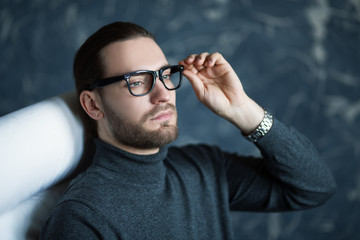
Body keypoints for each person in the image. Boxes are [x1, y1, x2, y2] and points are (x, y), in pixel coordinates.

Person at [40, 22, 336, 239]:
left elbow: (314, 188)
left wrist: (243, 109)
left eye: (165, 75)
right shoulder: (82, 217)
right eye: (138, 81)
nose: (163, 95)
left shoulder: (202, 167)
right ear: (93, 105)